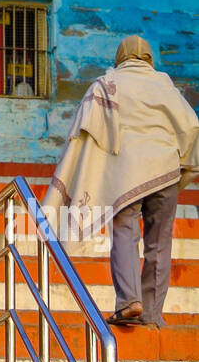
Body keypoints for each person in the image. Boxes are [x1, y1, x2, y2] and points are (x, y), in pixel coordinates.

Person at [43, 35, 199, 330]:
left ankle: (129, 300)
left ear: (120, 56)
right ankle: (152, 314)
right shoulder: (165, 84)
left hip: (127, 174)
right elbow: (191, 125)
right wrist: (182, 163)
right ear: (149, 58)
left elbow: (85, 128)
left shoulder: (107, 83)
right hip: (165, 171)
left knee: (125, 232)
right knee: (159, 242)